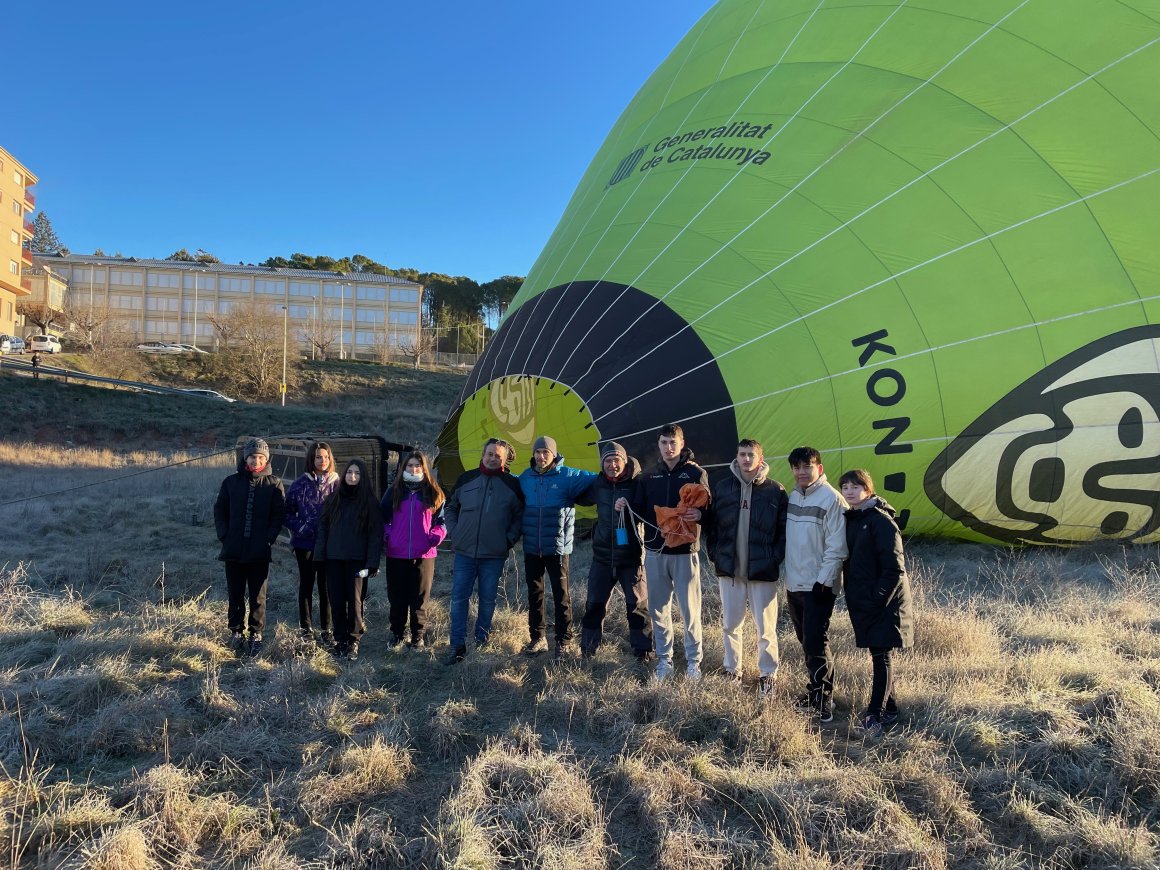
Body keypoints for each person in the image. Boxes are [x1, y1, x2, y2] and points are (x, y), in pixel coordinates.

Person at [617, 423, 709, 682]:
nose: (668, 448)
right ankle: (664, 660)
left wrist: (700, 514)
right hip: (655, 552)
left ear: (681, 443)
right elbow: (638, 508)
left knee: (690, 610)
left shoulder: (695, 473)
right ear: (658, 445)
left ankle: (694, 662)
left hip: (684, 552)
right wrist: (623, 504)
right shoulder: (648, 477)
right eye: (663, 443)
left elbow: (710, 508)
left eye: (673, 442)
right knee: (658, 609)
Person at [705, 439, 787, 696]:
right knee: (730, 624)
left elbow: (784, 531)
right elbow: (711, 525)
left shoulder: (776, 491)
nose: (746, 459)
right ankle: (732, 670)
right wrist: (715, 554)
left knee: (766, 628)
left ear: (760, 459)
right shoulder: (722, 487)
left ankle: (768, 674)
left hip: (762, 570)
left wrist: (774, 558)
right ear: (737, 457)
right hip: (730, 569)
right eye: (742, 454)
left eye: (751, 455)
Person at [839, 469, 914, 739]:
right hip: (866, 601)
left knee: (881, 656)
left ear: (868, 490)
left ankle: (874, 715)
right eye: (845, 486)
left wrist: (877, 599)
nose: (849, 491)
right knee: (878, 653)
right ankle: (891, 708)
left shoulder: (881, 521)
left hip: (885, 602)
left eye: (855, 486)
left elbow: (895, 569)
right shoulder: (853, 518)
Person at [518, 435, 599, 660]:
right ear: (533, 454)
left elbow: (599, 478)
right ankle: (538, 638)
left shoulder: (568, 476)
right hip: (533, 546)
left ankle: (563, 641)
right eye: (538, 452)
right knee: (535, 594)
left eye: (546, 452)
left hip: (558, 548)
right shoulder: (526, 477)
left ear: (554, 454)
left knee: (561, 594)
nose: (541, 456)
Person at [444, 438, 524, 664]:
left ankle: (481, 641)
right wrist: (454, 532)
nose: (492, 458)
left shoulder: (512, 485)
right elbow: (451, 507)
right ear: (483, 454)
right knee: (459, 599)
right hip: (464, 553)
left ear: (505, 458)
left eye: (498, 455)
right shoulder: (466, 479)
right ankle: (456, 645)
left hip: (493, 555)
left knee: (487, 600)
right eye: (489, 453)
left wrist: (507, 540)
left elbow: (518, 517)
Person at [784, 446, 849, 723]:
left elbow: (838, 545)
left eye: (807, 466)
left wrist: (824, 580)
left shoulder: (832, 500)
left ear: (819, 469)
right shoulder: (794, 496)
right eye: (797, 467)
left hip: (818, 586)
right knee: (805, 640)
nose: (801, 472)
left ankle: (823, 699)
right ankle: (814, 689)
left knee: (816, 640)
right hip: (795, 583)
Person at [577, 441, 652, 661]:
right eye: (607, 461)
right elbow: (576, 494)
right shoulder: (598, 484)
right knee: (594, 604)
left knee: (637, 606)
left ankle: (643, 651)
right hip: (602, 557)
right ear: (602, 464)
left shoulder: (638, 483)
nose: (612, 465)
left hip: (631, 558)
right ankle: (588, 649)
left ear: (624, 461)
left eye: (616, 460)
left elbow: (650, 505)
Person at [213, 437, 286, 657]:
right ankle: (236, 631)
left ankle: (256, 634)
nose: (256, 461)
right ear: (246, 458)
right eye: (252, 457)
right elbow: (220, 510)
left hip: (259, 550)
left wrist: (269, 538)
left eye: (260, 457)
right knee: (235, 593)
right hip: (233, 549)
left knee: (258, 596)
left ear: (266, 459)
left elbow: (278, 514)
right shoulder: (231, 482)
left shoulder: (274, 483)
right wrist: (224, 535)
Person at [315, 459, 383, 662]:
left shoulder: (370, 502)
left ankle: (354, 639)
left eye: (357, 473)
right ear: (344, 475)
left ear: (363, 477)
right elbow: (323, 529)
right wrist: (320, 556)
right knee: (336, 601)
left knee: (354, 603)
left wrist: (372, 563)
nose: (353, 476)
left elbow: (375, 535)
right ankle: (340, 639)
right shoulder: (333, 499)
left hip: (357, 561)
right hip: (333, 559)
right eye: (350, 472)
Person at [381, 450, 446, 649]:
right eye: (410, 465)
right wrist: (388, 536)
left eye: (418, 465)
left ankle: (417, 636)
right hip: (396, 553)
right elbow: (381, 518)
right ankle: (397, 634)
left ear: (424, 468)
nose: (414, 468)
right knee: (397, 596)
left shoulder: (433, 492)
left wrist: (434, 537)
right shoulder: (394, 492)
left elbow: (442, 521)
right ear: (403, 468)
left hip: (423, 554)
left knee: (419, 598)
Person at [283, 441, 340, 645]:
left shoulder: (337, 484)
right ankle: (306, 628)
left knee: (326, 587)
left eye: (325, 456)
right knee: (306, 585)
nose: (322, 460)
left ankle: (327, 629)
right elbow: (287, 512)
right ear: (311, 459)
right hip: (304, 544)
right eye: (318, 457)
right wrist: (300, 528)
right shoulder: (300, 484)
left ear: (330, 459)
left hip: (328, 545)